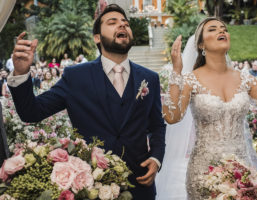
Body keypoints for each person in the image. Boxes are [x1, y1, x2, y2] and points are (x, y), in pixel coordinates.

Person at [8, 4, 165, 200]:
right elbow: (31, 112)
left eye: (125, 23)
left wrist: (156, 157)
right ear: (97, 37)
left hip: (141, 187)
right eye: (112, 22)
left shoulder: (150, 78)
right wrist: (21, 74)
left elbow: (157, 125)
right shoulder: (75, 77)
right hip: (91, 188)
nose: (122, 25)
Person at [162, 17, 257, 199]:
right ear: (201, 44)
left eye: (224, 29)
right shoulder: (190, 80)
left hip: (242, 168)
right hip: (203, 171)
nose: (221, 31)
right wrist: (176, 72)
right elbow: (172, 117)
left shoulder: (245, 78)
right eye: (213, 29)